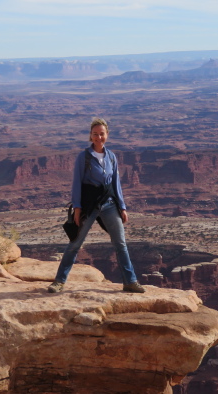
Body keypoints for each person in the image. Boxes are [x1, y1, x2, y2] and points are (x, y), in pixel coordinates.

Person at [48, 117, 145, 293]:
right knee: (76, 242)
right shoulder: (83, 157)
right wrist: (77, 208)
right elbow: (76, 183)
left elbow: (116, 184)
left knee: (120, 243)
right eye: (95, 134)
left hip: (109, 204)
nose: (98, 137)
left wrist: (122, 207)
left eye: (101, 134)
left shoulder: (111, 157)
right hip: (88, 205)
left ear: (107, 135)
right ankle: (59, 281)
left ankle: (130, 281)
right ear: (90, 136)